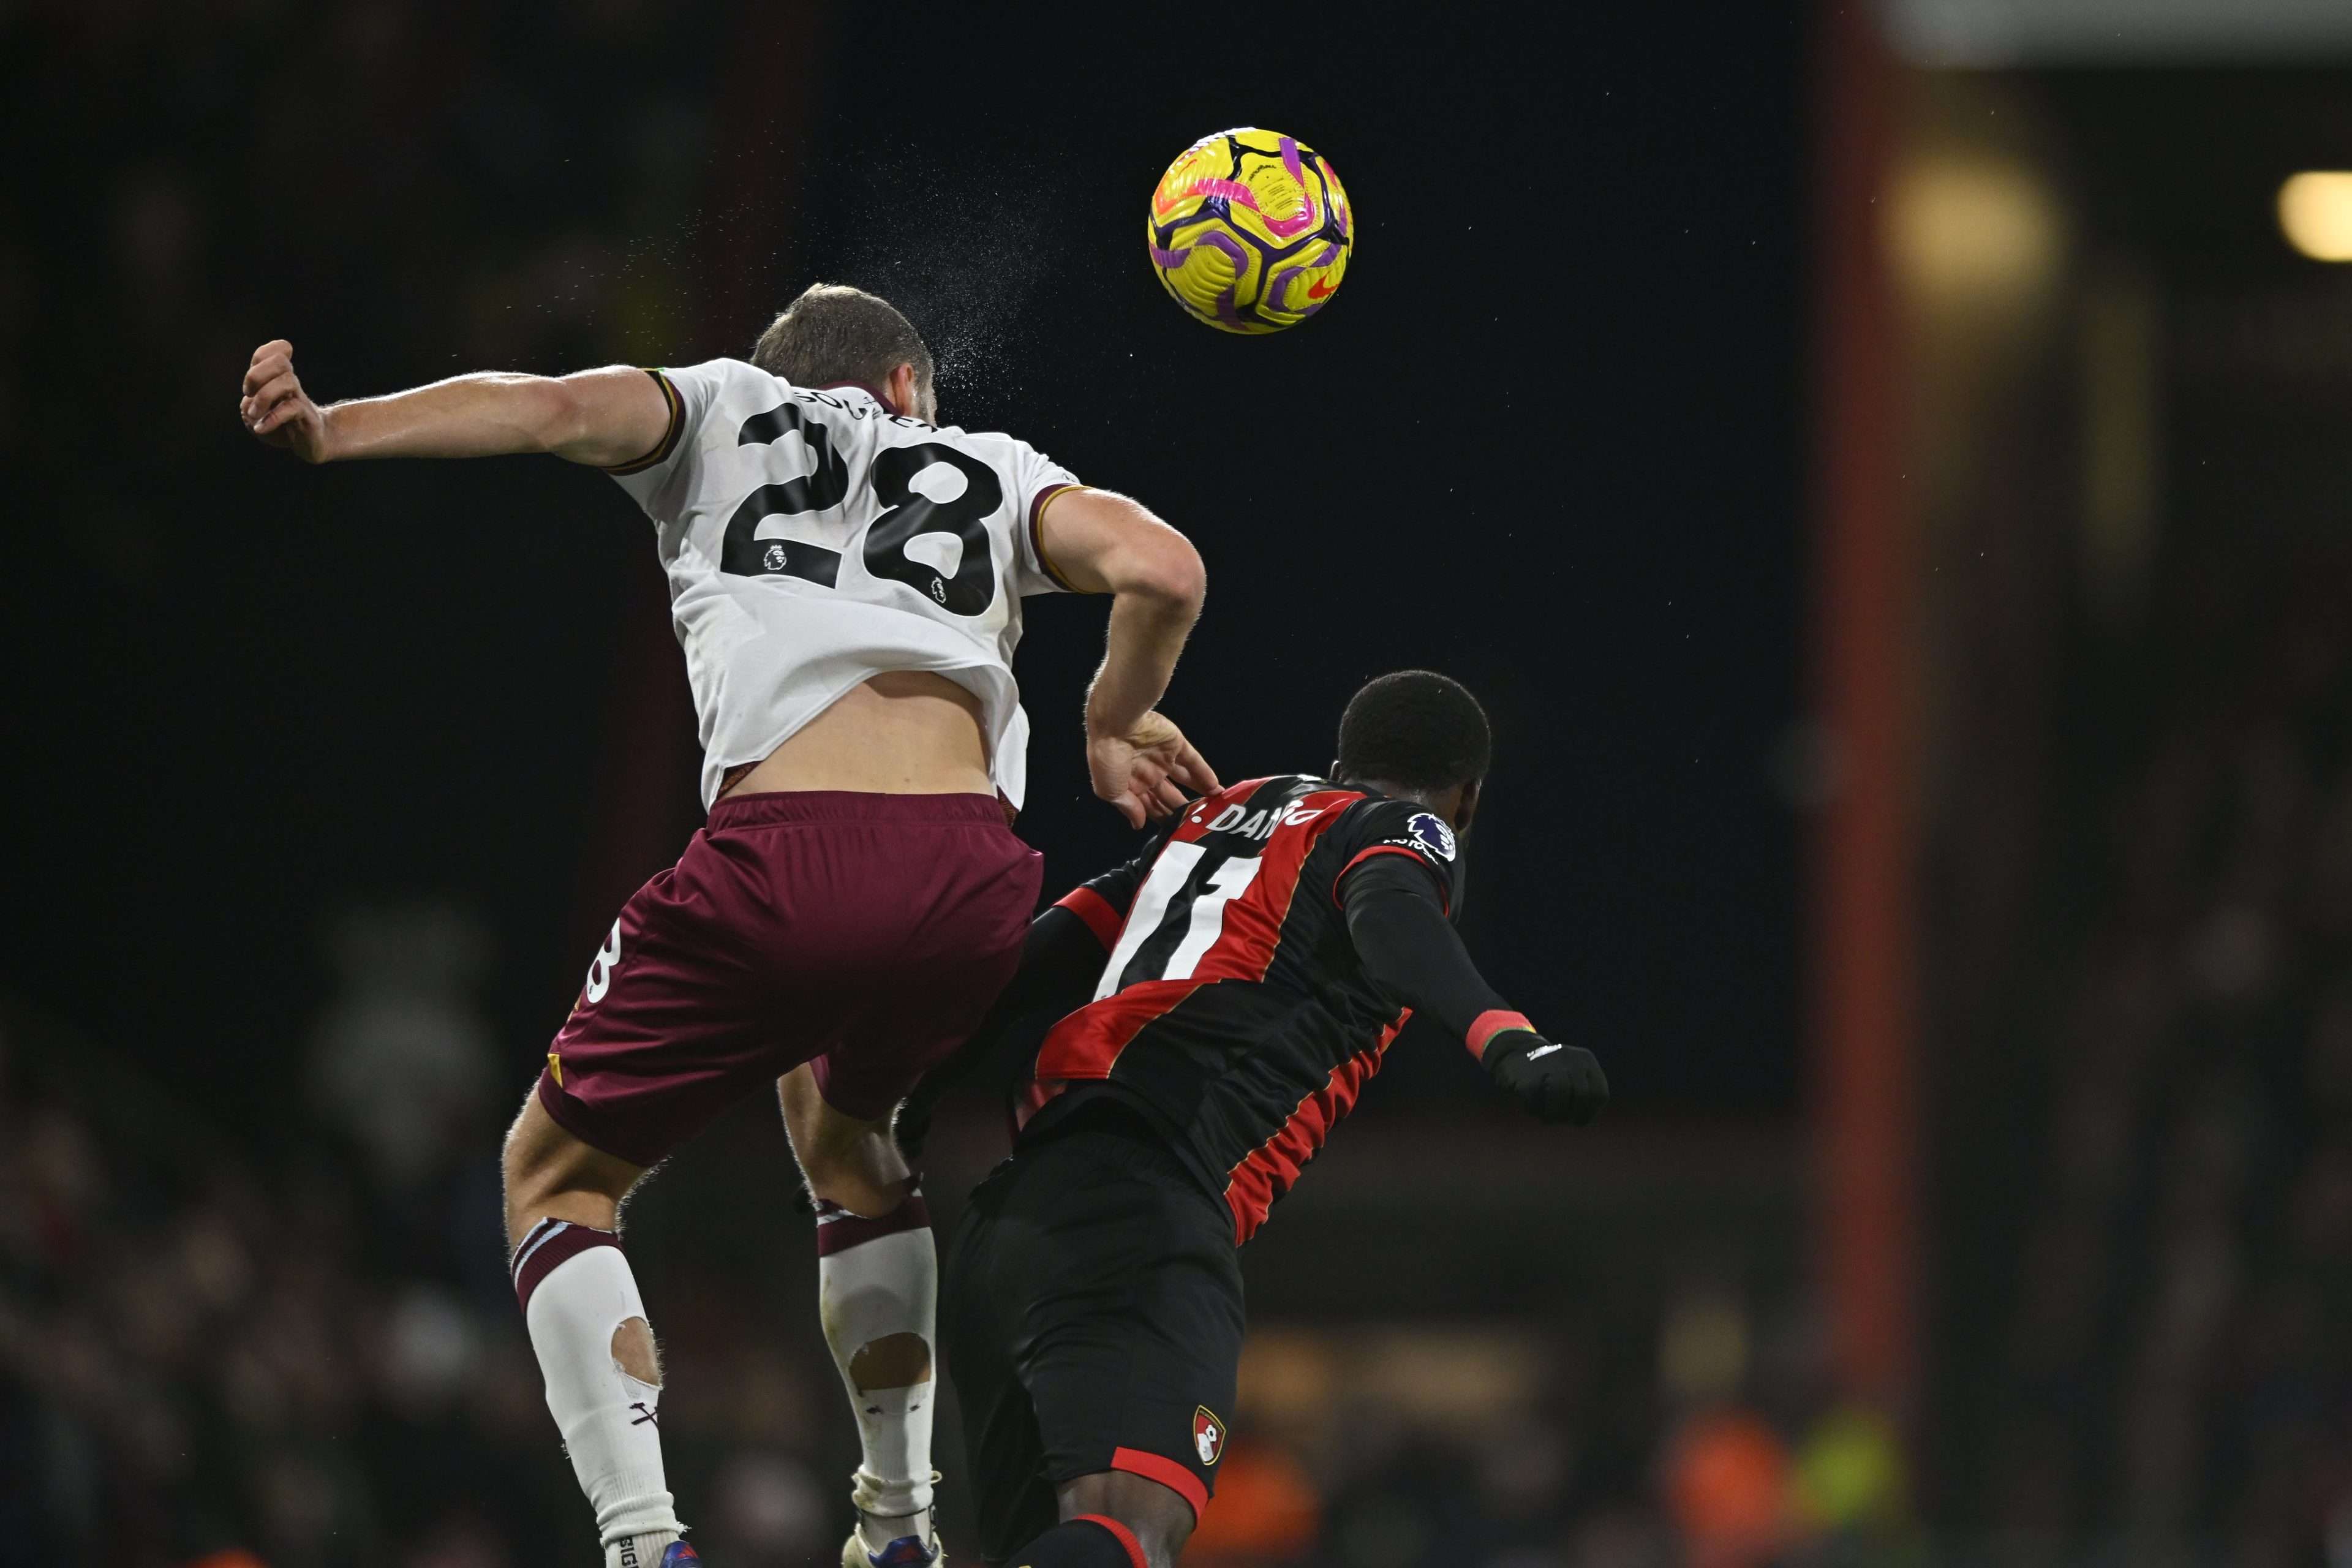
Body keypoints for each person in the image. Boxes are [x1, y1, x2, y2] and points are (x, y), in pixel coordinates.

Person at [238, 283, 1216, 1568]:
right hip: (974, 877)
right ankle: (901, 1520)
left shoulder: (719, 402)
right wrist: (1106, 718)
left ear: (783, 369)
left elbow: (540, 409)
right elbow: (1165, 569)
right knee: (851, 1136)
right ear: (911, 388)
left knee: (555, 1175)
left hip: (789, 855)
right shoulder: (990, 464)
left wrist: (336, 429)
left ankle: (644, 1542)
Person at [903, 669, 1609, 1568]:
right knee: (1132, 1529)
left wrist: (910, 1086)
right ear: (1466, 799)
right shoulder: (1399, 830)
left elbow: (1057, 943)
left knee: (1056, 1546)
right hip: (1147, 1201)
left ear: (1338, 761)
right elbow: (1392, 914)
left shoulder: (1221, 815)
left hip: (1010, 1223)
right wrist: (1508, 1038)